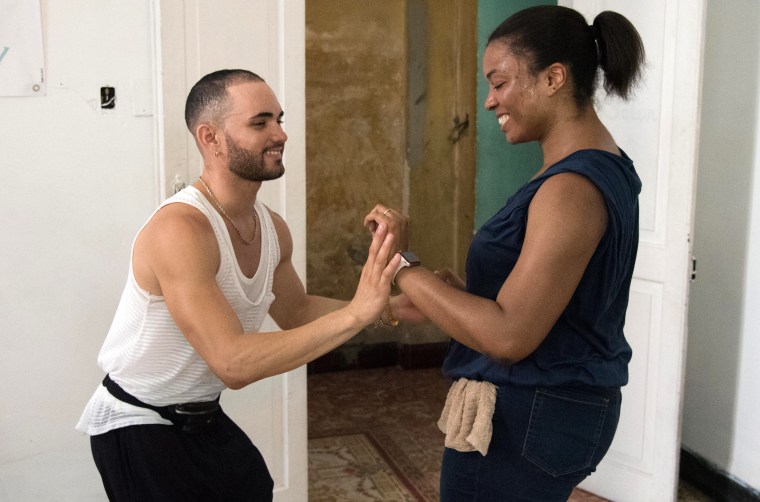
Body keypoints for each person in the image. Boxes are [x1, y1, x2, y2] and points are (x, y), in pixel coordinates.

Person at [76, 69, 401, 501]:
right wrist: (359, 311)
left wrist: (388, 307)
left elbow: (296, 312)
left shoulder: (272, 229)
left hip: (202, 416)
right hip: (137, 424)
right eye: (260, 122)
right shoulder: (180, 229)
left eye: (279, 119)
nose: (280, 134)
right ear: (210, 138)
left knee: (253, 486)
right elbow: (233, 363)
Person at [366, 6, 645, 501]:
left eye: (500, 82)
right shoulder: (599, 168)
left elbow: (510, 334)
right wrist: (459, 294)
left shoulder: (571, 187)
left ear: (554, 77)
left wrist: (402, 265)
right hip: (554, 407)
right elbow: (559, 301)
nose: (490, 101)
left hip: (530, 411)